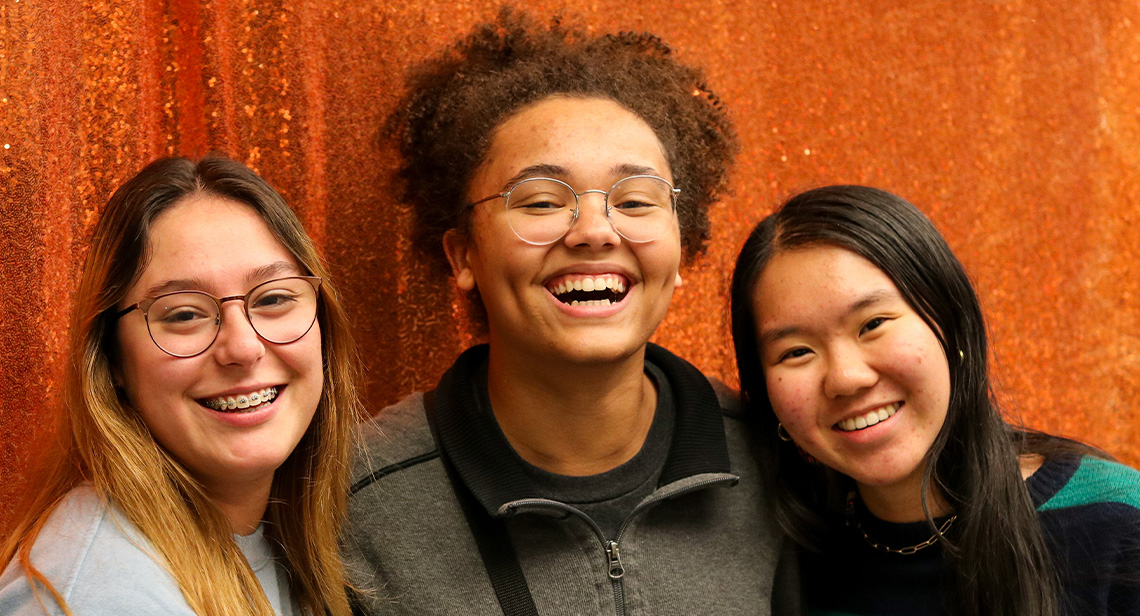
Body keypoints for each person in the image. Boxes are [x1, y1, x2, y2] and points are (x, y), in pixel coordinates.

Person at [342, 10, 790, 615]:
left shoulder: (778, 462)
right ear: (463, 254)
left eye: (635, 199)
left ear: (683, 246)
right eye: (542, 201)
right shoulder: (361, 502)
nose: (595, 231)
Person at [730, 184, 1140, 615]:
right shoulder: (788, 560)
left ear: (951, 325)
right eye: (796, 352)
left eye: (873, 324)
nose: (846, 378)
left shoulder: (1113, 524)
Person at [0, 156, 360, 615]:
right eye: (184, 314)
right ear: (112, 360)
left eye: (273, 298)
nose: (243, 348)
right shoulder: (103, 594)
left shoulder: (284, 539)